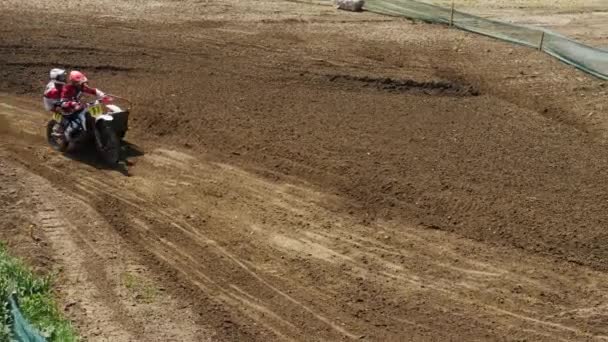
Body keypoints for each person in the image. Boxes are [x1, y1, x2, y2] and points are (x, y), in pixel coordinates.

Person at [59, 71, 109, 140]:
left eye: (82, 83)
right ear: (73, 82)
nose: (82, 85)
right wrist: (72, 104)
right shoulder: (67, 89)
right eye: (79, 83)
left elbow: (93, 90)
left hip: (79, 107)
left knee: (90, 115)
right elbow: (62, 103)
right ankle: (67, 135)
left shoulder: (81, 87)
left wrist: (103, 95)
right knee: (76, 125)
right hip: (69, 110)